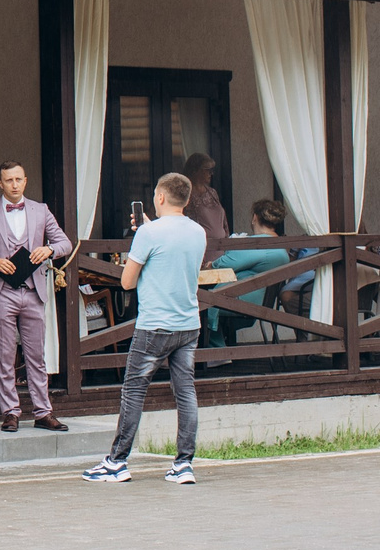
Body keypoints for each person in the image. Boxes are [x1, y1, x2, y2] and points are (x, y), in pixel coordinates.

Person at [84, 171, 205, 485]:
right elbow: (174, 254)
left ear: (160, 197)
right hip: (188, 323)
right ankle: (183, 464)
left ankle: (117, 461)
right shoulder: (198, 232)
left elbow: (127, 281)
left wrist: (145, 236)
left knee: (134, 391)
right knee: (186, 392)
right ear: (188, 199)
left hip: (154, 325)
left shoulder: (148, 234)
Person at [0, 160, 73, 431]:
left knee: (36, 356)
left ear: (25, 180)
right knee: (5, 356)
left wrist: (49, 251)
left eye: (19, 179)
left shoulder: (41, 211)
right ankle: (10, 412)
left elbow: (65, 242)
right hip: (1, 291)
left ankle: (43, 412)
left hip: (33, 291)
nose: (14, 185)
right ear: (0, 183)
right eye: (9, 180)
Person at [209, 200, 294, 345]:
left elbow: (225, 263)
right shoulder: (279, 246)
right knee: (207, 300)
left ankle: (215, 351)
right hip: (261, 300)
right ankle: (218, 350)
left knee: (202, 302)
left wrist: (211, 263)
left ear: (255, 217)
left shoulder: (259, 244)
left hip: (242, 300)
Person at [181, 153, 230, 263]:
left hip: (220, 249)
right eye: (207, 170)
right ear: (196, 170)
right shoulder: (186, 194)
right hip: (201, 251)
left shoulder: (212, 192)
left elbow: (223, 221)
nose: (210, 174)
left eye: (212, 170)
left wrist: (227, 243)